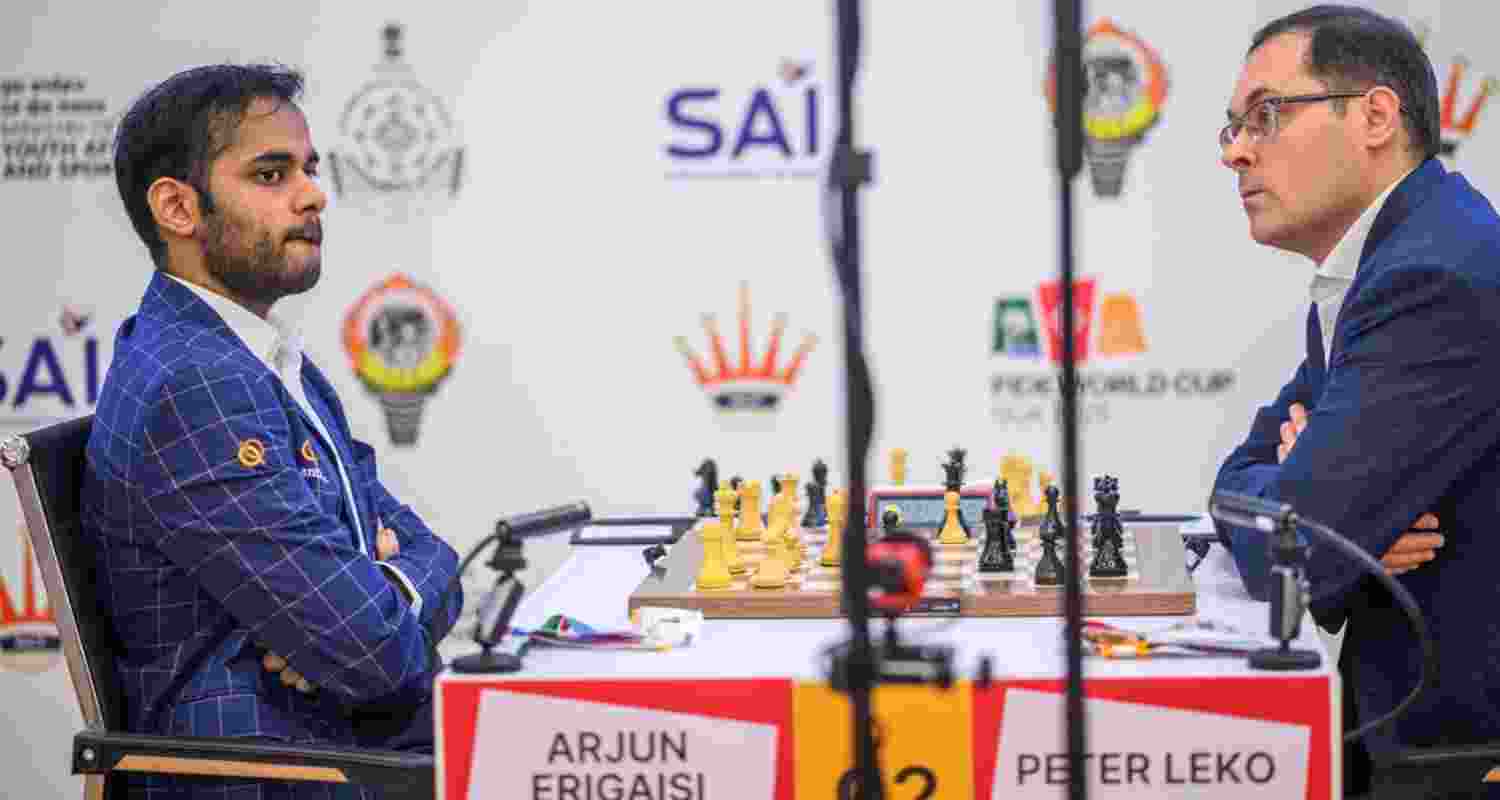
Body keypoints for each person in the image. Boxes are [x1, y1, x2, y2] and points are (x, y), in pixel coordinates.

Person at [81, 63, 463, 798]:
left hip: (345, 744)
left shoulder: (258, 358)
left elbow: (423, 551)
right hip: (281, 771)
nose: (313, 194)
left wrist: (386, 586)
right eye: (270, 174)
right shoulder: (196, 384)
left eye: (309, 170)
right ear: (178, 207)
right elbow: (373, 650)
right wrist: (373, 604)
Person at [1212, 3, 1500, 785]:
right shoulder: (1386, 262)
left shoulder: (1433, 275)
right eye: (1232, 127)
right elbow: (1244, 489)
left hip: (1458, 758)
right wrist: (1321, 511)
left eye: (1266, 116)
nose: (1236, 152)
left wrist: (1322, 516)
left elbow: (1299, 550)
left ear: (1375, 117)